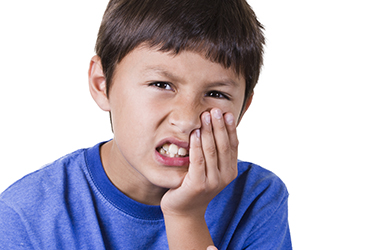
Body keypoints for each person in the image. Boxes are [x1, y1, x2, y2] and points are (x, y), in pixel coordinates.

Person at [0, 0, 292, 249]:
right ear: (102, 85)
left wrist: (186, 217)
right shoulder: (25, 216)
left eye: (216, 94)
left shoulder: (258, 200)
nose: (186, 120)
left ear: (244, 107)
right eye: (161, 84)